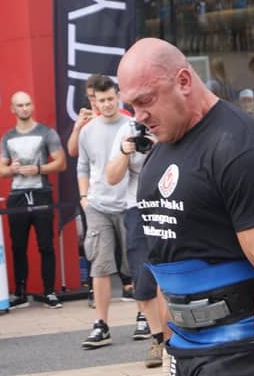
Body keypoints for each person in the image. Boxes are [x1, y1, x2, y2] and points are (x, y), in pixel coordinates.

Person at [117, 38, 254, 376]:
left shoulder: (244, 149)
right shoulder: (158, 155)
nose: (139, 116)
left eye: (145, 100)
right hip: (185, 349)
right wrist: (171, 353)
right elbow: (165, 262)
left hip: (239, 349)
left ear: (183, 81)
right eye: (131, 105)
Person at [77, 75, 135, 349]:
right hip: (98, 206)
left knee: (135, 264)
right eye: (101, 100)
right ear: (95, 102)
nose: (107, 104)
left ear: (118, 97)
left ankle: (143, 317)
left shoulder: (131, 126)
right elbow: (82, 166)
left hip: (129, 204)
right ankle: (101, 324)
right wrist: (84, 197)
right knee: (99, 266)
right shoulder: (88, 131)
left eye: (111, 98)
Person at [105, 112, 165, 368]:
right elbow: (111, 178)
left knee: (170, 274)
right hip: (137, 209)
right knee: (142, 278)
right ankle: (158, 338)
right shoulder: (127, 130)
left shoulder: (169, 124)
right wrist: (124, 152)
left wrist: (159, 146)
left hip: (169, 204)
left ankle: (176, 338)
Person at [0, 91, 67, 309]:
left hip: (41, 193)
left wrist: (38, 169)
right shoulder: (7, 137)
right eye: (20, 105)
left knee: (46, 244)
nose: (25, 108)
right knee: (18, 246)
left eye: (28, 104)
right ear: (12, 109)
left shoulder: (47, 132)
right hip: (17, 196)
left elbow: (61, 163)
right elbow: (1, 170)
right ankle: (20, 292)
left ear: (32, 106)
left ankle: (49, 292)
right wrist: (12, 169)